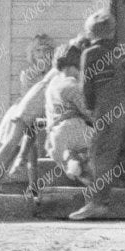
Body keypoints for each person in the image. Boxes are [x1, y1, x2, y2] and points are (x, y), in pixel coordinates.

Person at [73, 11, 125, 219]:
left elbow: (87, 85)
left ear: (90, 33)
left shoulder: (90, 53)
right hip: (123, 108)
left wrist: (90, 108)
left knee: (99, 154)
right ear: (113, 31)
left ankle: (98, 201)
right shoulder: (120, 52)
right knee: (118, 149)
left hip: (104, 108)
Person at [0, 65, 56, 191]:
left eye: (45, 53)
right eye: (39, 52)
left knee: (30, 153)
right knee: (13, 148)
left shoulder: (48, 75)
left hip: (31, 114)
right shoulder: (33, 73)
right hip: (24, 111)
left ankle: (32, 187)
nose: (42, 56)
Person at [39, 43, 93, 189]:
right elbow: (87, 111)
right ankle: (86, 171)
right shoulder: (73, 85)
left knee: (66, 154)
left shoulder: (52, 86)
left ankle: (72, 163)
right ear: (76, 66)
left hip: (55, 133)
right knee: (89, 149)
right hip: (75, 127)